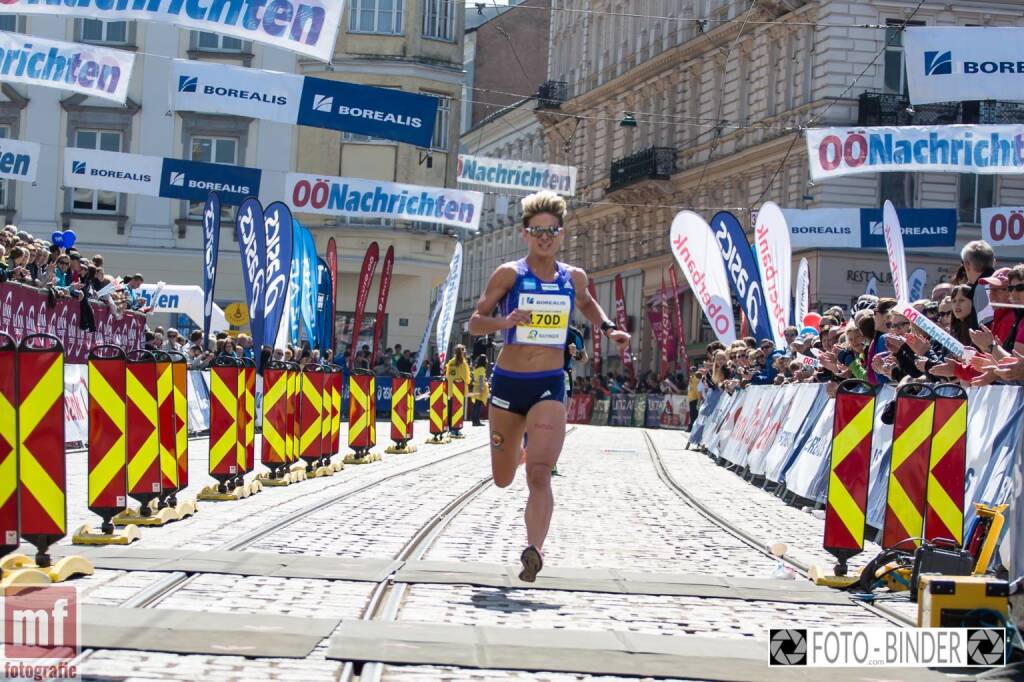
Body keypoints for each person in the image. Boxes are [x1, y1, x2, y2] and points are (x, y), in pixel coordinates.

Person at [468, 190, 630, 582]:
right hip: (509, 385)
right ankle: (519, 449)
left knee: (540, 475)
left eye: (552, 231)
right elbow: (474, 323)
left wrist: (609, 329)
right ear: (525, 234)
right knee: (503, 478)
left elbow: (586, 303)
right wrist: (506, 322)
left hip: (549, 384)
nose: (545, 238)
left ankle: (534, 550)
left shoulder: (572, 277)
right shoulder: (509, 274)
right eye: (537, 231)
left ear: (561, 234)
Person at [444, 344, 472, 434]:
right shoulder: (463, 363)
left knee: (451, 408)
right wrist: (467, 381)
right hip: (460, 389)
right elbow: (466, 377)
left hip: (451, 389)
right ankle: (456, 428)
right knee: (458, 409)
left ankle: (450, 428)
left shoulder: (450, 362)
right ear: (464, 352)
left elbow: (447, 375)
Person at [469, 354, 489, 426]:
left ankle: (474, 421)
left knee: (476, 405)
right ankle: (477, 421)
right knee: (478, 405)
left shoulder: (476, 368)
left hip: (476, 387)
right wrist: (481, 389)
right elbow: (481, 379)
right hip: (479, 388)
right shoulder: (482, 369)